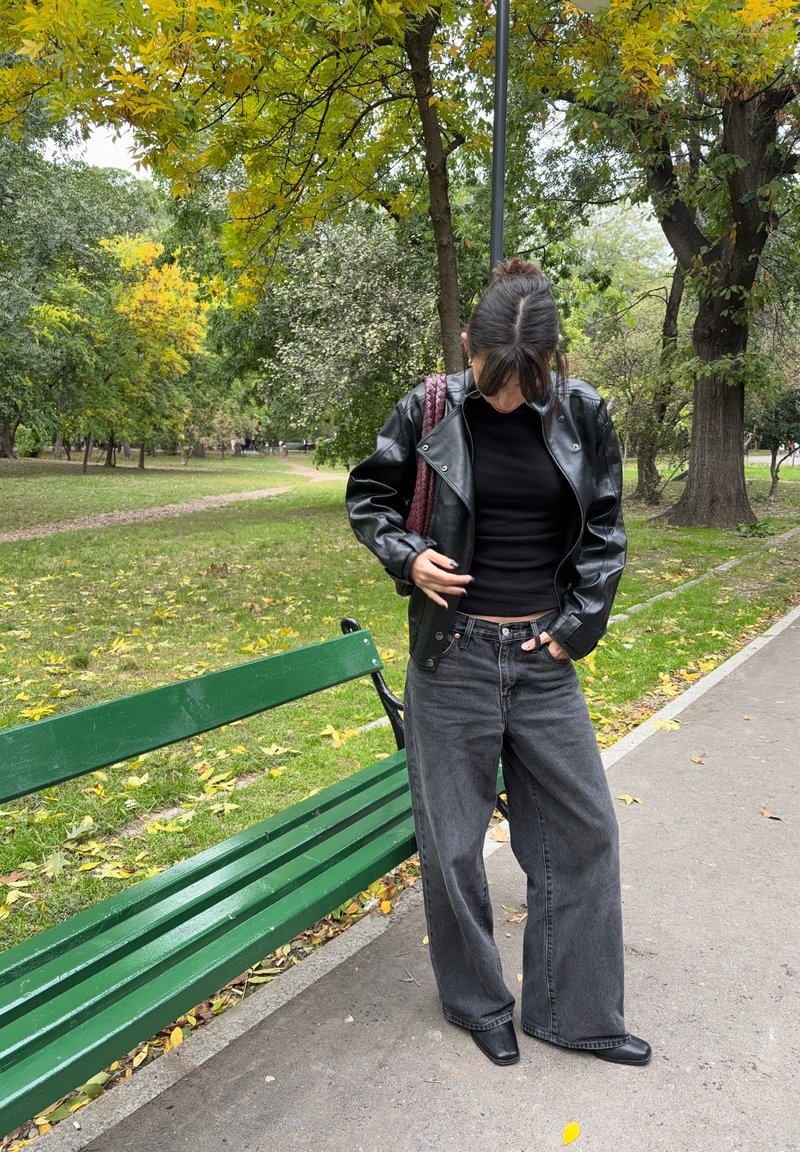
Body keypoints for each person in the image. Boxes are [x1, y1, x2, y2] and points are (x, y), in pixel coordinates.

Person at [346, 259, 651, 1069]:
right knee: (452, 845)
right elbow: (369, 498)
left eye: (528, 381)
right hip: (454, 657)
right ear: (467, 348)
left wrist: (575, 626)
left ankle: (575, 1011)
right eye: (494, 379)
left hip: (544, 660)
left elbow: (606, 529)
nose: (510, 397)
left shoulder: (584, 413)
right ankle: (477, 1002)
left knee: (586, 831)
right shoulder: (428, 408)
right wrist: (409, 557)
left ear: (554, 363)